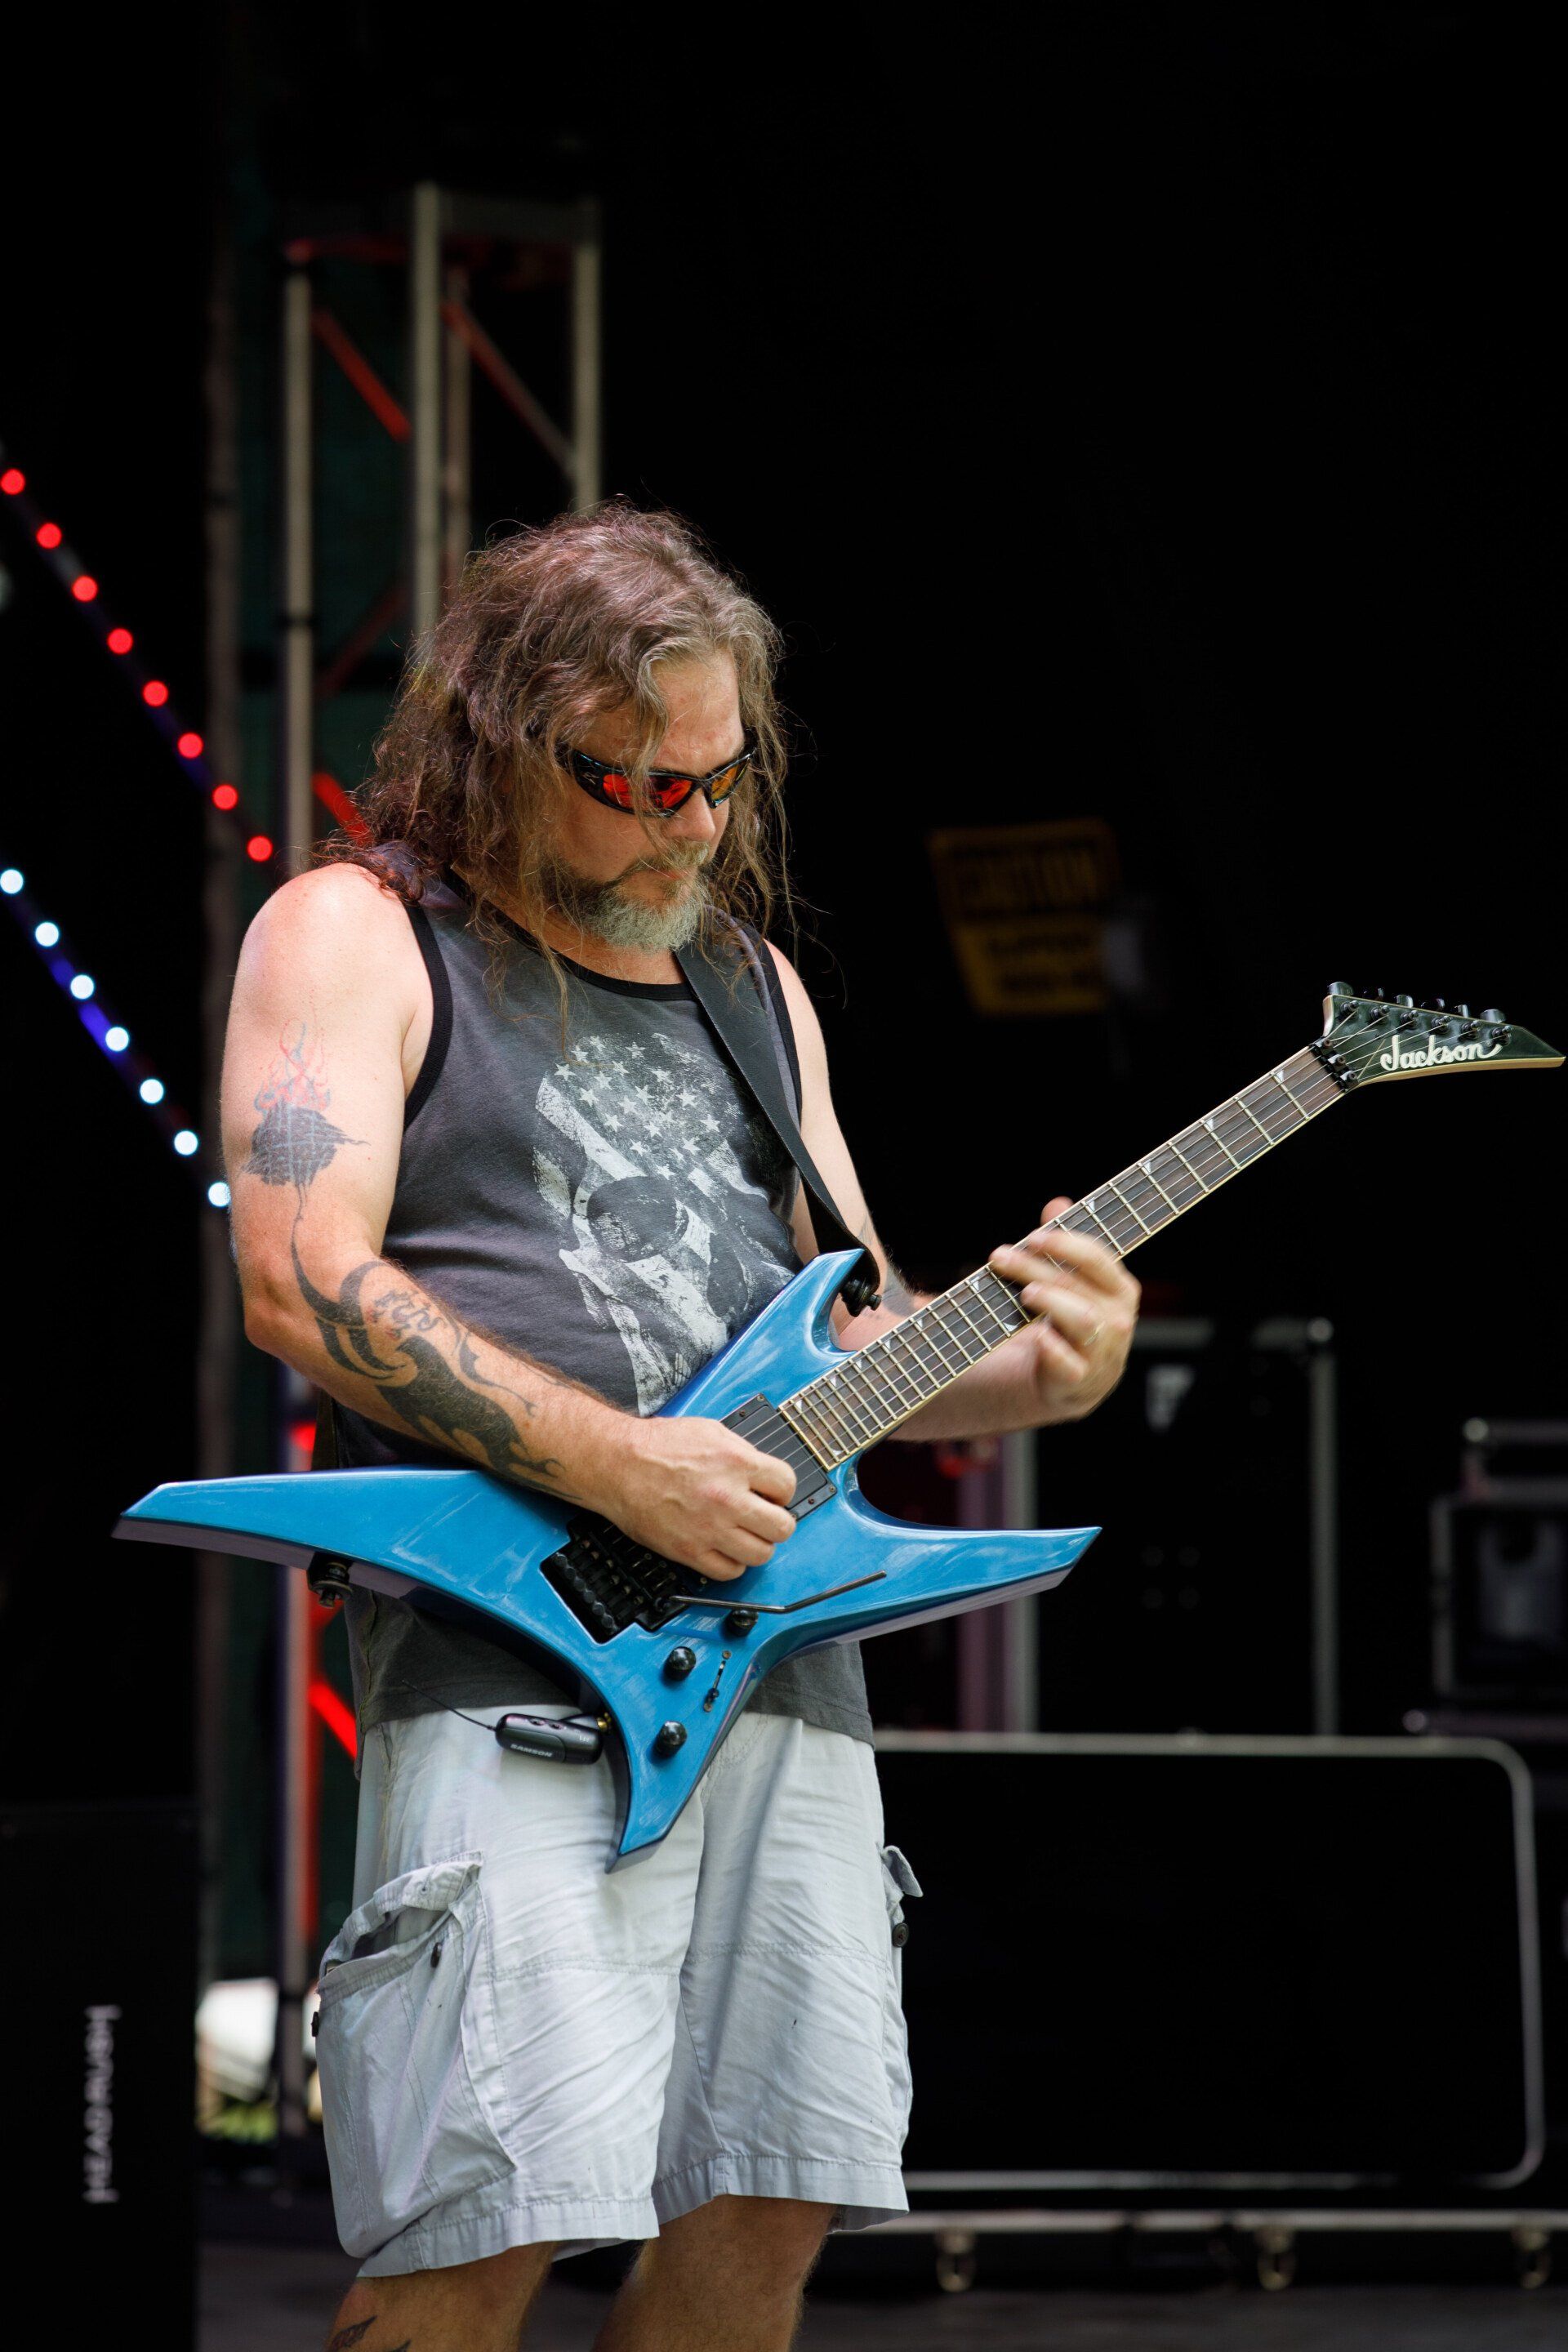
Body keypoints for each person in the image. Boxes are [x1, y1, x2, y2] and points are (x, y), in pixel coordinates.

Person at [224, 504, 1140, 2352]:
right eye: (631, 783)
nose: (692, 826)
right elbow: (302, 1279)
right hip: (516, 1655)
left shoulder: (749, 980)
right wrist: (614, 1461)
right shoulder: (359, 931)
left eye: (716, 782)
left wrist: (1042, 1370)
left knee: (773, 2184)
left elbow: (854, 1327)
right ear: (497, 740)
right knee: (488, 2208)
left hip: (775, 1657)